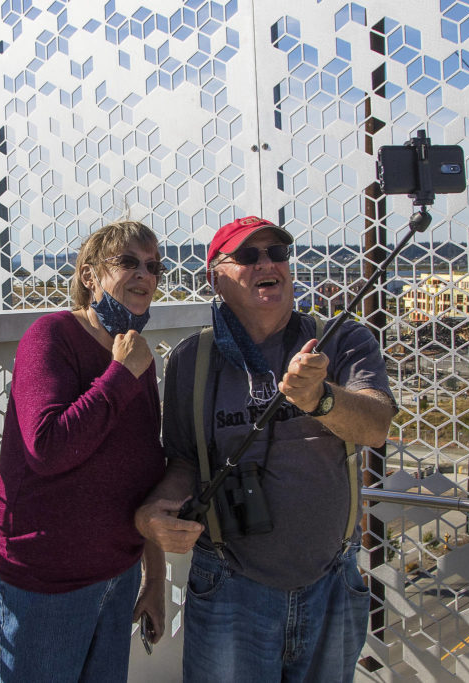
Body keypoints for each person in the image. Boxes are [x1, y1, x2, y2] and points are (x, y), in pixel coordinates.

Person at [135, 216, 396, 682]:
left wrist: (322, 398)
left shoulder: (340, 339)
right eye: (248, 256)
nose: (267, 263)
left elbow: (375, 425)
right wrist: (158, 509)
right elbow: (184, 461)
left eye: (277, 253)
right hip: (229, 586)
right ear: (214, 277)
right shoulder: (191, 362)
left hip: (331, 582)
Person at [0, 219, 168, 682]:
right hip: (47, 584)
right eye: (127, 262)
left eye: (153, 266)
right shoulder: (52, 336)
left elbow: (145, 473)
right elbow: (47, 448)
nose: (144, 275)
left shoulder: (136, 356)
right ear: (89, 276)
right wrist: (120, 373)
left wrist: (154, 575)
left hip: (118, 575)